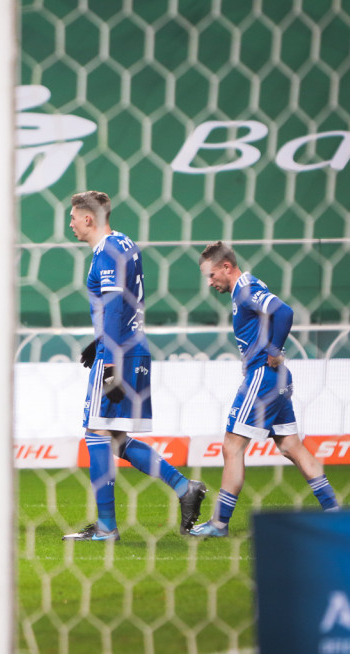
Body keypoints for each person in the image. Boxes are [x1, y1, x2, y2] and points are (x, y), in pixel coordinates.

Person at [64, 191, 206, 541]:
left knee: (96, 434)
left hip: (119, 353)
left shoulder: (107, 251)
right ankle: (184, 487)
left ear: (88, 219)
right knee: (115, 437)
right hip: (134, 347)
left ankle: (107, 527)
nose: (70, 223)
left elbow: (113, 305)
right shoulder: (125, 243)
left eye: (73, 217)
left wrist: (107, 356)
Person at [190, 242, 339, 536]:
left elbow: (283, 312)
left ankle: (219, 523)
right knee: (290, 446)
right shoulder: (245, 289)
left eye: (211, 275)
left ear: (226, 267)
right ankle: (334, 511)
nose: (210, 283)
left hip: (263, 376)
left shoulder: (244, 287)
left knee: (232, 446)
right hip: (277, 377)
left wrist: (273, 348)